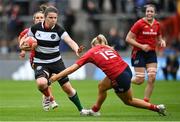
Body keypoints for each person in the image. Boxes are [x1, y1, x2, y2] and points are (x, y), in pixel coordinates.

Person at [50, 34, 166, 116]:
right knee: (102, 86)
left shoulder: (91, 52)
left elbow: (72, 68)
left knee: (129, 101)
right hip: (126, 70)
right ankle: (95, 110)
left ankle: (156, 108)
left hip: (118, 77)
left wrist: (56, 76)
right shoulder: (108, 48)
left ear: (93, 45)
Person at [20, 6, 88, 115]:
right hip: (40, 62)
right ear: (45, 18)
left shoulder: (59, 30)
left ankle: (81, 109)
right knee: (41, 83)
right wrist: (22, 45)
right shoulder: (35, 28)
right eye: (51, 17)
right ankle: (48, 96)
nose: (53, 20)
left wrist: (76, 49)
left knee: (67, 88)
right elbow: (25, 39)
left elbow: (70, 41)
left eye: (55, 18)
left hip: (56, 62)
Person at [18, 5, 58, 111]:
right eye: (37, 18)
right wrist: (22, 50)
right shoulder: (29, 31)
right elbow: (22, 39)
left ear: (44, 19)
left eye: (41, 18)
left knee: (48, 81)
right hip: (36, 59)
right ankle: (51, 99)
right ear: (34, 19)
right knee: (45, 80)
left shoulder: (48, 29)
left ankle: (47, 98)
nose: (39, 19)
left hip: (50, 59)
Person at [125, 4, 166, 102]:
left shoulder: (157, 25)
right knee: (140, 80)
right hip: (138, 52)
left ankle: (146, 101)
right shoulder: (139, 23)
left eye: (151, 11)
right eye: (148, 11)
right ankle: (122, 80)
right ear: (145, 12)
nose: (149, 13)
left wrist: (162, 41)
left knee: (152, 77)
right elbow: (128, 39)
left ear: (155, 13)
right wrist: (141, 46)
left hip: (151, 53)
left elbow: (159, 37)